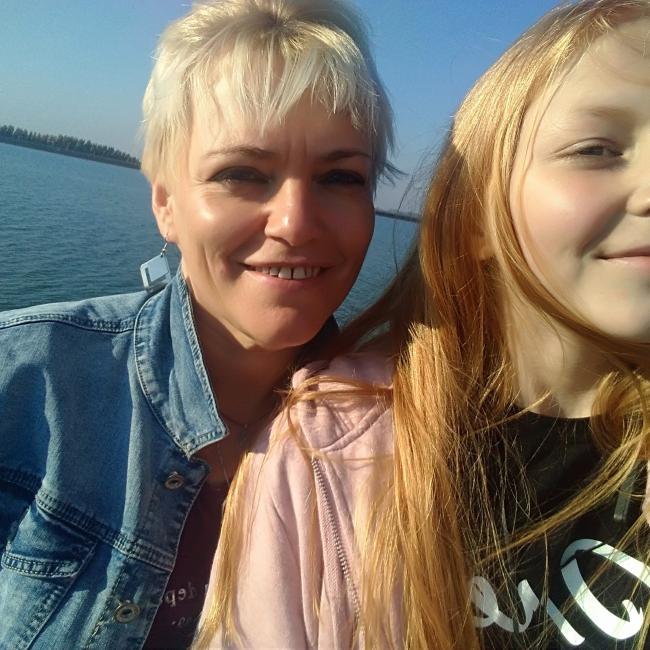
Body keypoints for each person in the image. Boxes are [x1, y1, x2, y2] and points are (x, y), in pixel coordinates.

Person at [197, 0, 650, 648]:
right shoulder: (331, 447)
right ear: (474, 218)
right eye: (596, 149)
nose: (294, 222)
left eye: (340, 177)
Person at [0, 1, 395, 647]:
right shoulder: (28, 381)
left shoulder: (404, 433)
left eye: (340, 176)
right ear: (166, 203)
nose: (296, 222)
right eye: (242, 174)